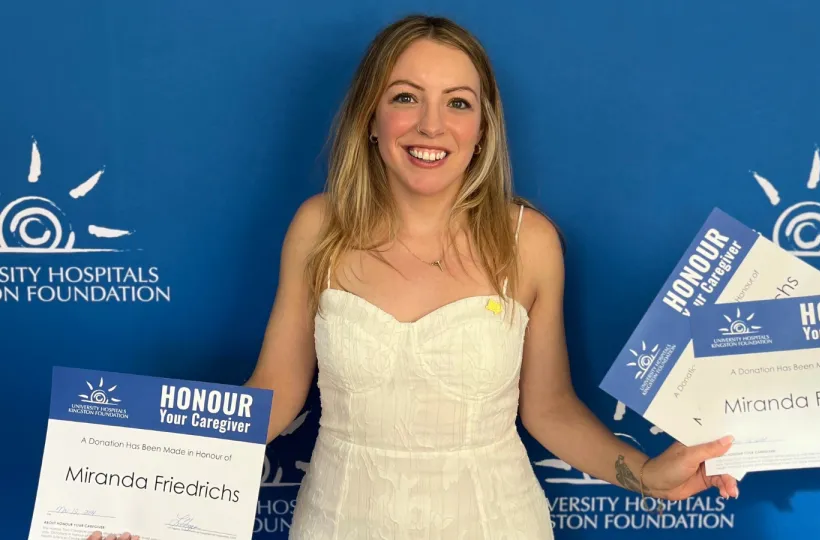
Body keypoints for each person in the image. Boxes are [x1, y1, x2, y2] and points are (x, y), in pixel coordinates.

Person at [87, 13, 738, 540]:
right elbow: (274, 395)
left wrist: (648, 475)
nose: (432, 126)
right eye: (406, 98)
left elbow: (549, 408)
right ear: (372, 119)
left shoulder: (529, 242)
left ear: (482, 129)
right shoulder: (318, 228)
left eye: (458, 103)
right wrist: (139, 496)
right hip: (339, 523)